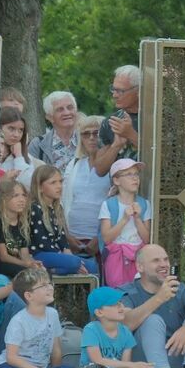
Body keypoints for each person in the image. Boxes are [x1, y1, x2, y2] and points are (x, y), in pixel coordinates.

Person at [0, 268, 72, 368]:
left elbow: (56, 351)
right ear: (29, 296)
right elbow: (11, 358)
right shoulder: (19, 321)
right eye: (43, 285)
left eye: (49, 283)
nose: (49, 287)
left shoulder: (52, 314)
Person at [79, 287, 158, 368]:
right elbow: (97, 360)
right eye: (114, 304)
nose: (121, 306)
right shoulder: (91, 329)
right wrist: (130, 365)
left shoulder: (125, 332)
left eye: (120, 302)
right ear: (99, 312)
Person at [28, 165, 97, 275]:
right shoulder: (35, 208)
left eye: (60, 182)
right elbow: (42, 243)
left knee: (92, 266)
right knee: (74, 262)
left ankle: (54, 270)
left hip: (56, 255)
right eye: (53, 183)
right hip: (39, 254)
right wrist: (69, 261)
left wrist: (69, 258)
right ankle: (54, 270)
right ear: (40, 187)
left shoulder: (57, 208)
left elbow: (63, 241)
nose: (59, 186)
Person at [99, 158, 152, 286]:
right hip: (116, 257)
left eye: (136, 174)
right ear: (116, 180)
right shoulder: (108, 204)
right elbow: (106, 239)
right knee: (118, 294)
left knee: (139, 291)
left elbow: (146, 238)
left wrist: (138, 218)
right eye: (129, 174)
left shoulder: (144, 204)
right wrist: (124, 219)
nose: (135, 178)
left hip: (139, 257)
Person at [62, 114, 108, 257]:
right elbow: (62, 201)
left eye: (96, 133)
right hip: (73, 237)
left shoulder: (113, 165)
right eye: (86, 134)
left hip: (102, 239)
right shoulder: (74, 164)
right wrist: (67, 236)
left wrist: (100, 238)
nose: (91, 138)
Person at [92, 65, 142, 176]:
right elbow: (99, 170)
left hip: (155, 191)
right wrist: (116, 145)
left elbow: (166, 159)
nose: (114, 95)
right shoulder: (110, 122)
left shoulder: (159, 118)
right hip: (121, 192)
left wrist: (131, 135)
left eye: (120, 91)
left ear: (138, 91)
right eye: (113, 89)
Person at [0, 181, 40, 278]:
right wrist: (26, 264)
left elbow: (24, 254)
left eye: (24, 195)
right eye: (15, 195)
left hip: (18, 263)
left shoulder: (22, 223)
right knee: (27, 274)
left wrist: (33, 263)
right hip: (0, 265)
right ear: (4, 199)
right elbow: (3, 256)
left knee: (42, 272)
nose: (22, 199)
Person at [28, 91, 80, 172]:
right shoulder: (37, 145)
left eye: (70, 107)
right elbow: (31, 177)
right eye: (60, 109)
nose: (67, 112)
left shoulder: (88, 140)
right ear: (49, 117)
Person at [0, 107, 41, 189]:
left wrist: (19, 156)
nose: (16, 135)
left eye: (20, 130)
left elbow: (29, 184)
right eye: (11, 128)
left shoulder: (24, 157)